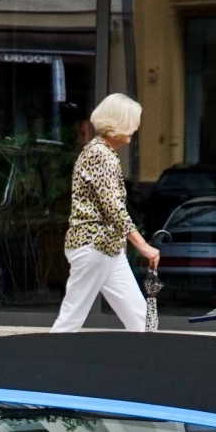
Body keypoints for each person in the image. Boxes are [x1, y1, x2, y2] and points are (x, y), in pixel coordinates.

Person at [54, 93, 158, 333]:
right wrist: (143, 245)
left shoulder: (101, 152)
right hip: (93, 246)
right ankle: (42, 367)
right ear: (119, 122)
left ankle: (153, 364)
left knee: (141, 318)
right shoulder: (100, 155)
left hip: (107, 248)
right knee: (70, 320)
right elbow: (113, 208)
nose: (136, 126)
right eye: (132, 121)